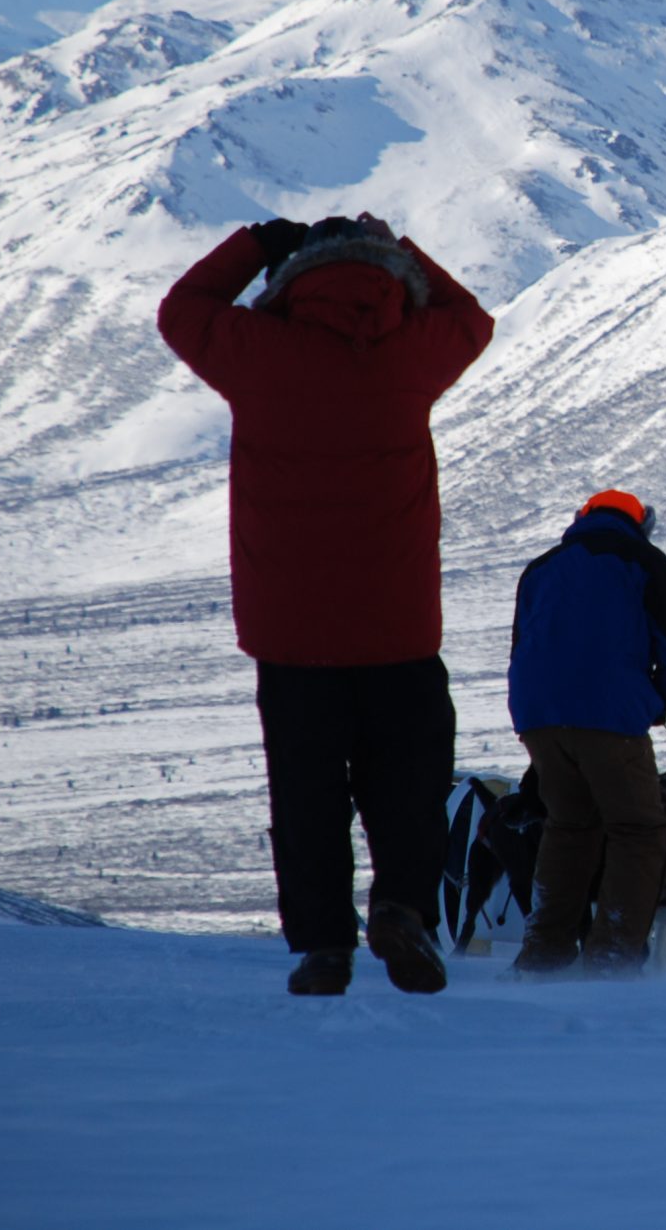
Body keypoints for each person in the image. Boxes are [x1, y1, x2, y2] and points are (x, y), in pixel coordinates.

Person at [157, 211, 493, 996]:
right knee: (409, 784)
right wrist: (405, 249)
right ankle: (404, 908)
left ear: (291, 279)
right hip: (399, 628)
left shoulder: (257, 353)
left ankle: (323, 947)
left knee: (305, 793)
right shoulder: (409, 353)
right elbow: (471, 320)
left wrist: (253, 244)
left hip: (291, 632)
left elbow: (181, 310)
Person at [506, 489, 666, 974]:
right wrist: (659, 702)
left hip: (539, 719)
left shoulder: (542, 567)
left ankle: (543, 954)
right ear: (642, 523)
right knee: (638, 830)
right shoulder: (644, 562)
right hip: (609, 721)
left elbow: (523, 643)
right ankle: (611, 960)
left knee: (569, 826)